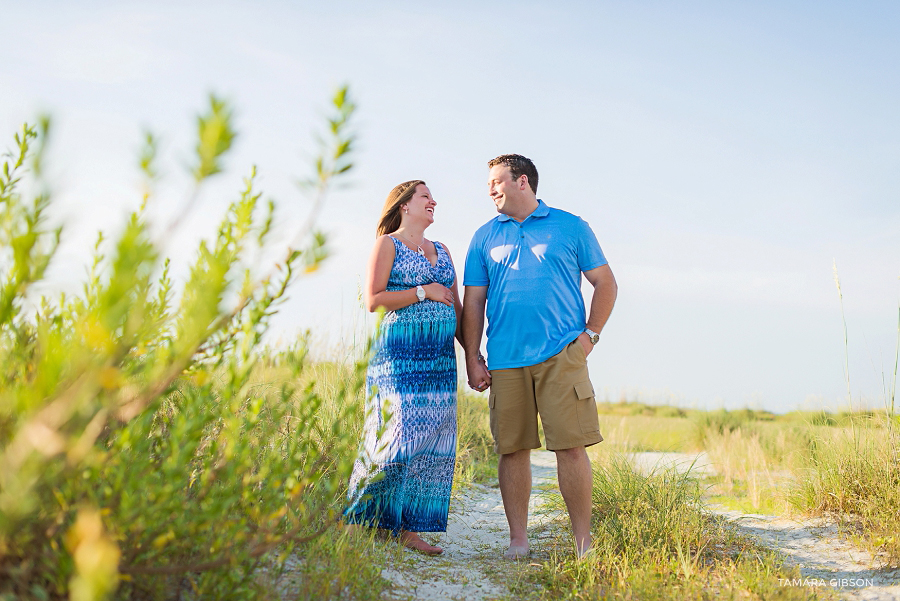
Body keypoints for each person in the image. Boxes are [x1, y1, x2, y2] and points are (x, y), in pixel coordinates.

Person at [462, 154, 617, 559]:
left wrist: (590, 337)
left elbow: (605, 283)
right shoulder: (483, 237)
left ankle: (583, 543)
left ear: (523, 182)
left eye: (497, 181)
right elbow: (474, 301)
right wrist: (472, 356)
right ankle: (518, 540)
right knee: (511, 449)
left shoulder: (570, 226)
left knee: (570, 448)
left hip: (561, 355)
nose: (491, 190)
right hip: (505, 360)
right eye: (489, 183)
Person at [343, 180, 463, 556]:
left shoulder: (442, 250)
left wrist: (473, 355)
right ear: (404, 205)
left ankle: (407, 528)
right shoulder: (388, 245)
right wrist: (423, 291)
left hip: (441, 360)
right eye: (426, 197)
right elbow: (374, 299)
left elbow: (457, 308)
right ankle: (361, 518)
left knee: (434, 440)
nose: (433, 202)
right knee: (395, 431)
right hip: (399, 358)